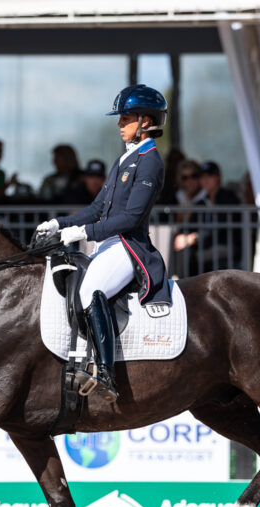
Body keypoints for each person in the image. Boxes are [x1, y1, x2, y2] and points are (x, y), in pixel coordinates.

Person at [35, 84, 170, 402]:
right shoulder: (125, 159)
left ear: (146, 122)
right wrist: (60, 222)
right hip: (108, 244)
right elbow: (97, 209)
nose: (119, 124)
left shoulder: (150, 161)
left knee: (88, 291)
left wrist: (84, 234)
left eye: (126, 118)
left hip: (129, 245)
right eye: (120, 119)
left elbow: (131, 218)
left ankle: (106, 374)